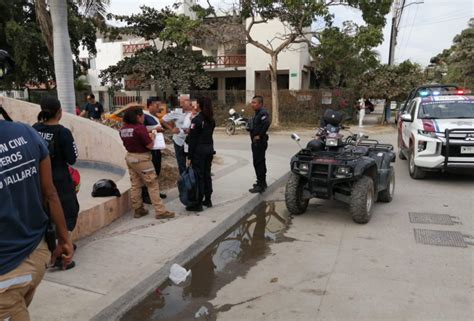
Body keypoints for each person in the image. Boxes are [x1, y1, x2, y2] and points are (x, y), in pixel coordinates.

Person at [0, 109, 73, 321]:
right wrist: (64, 238)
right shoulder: (25, 132)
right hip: (36, 253)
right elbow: (49, 193)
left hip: (6, 273)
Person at [32, 97, 80, 270]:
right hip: (59, 181)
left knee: (46, 214)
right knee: (67, 214)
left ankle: (51, 249)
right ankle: (61, 253)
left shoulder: (34, 129)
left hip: (38, 180)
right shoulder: (63, 132)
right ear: (60, 112)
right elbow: (72, 158)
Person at [119, 107, 174, 220]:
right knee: (152, 184)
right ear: (138, 116)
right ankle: (160, 211)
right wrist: (152, 137)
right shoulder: (140, 128)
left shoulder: (123, 129)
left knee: (135, 184)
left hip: (130, 157)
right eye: (143, 116)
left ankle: (138, 209)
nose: (144, 118)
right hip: (142, 159)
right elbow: (150, 145)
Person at [186, 97, 215, 212]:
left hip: (199, 152)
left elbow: (192, 140)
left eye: (196, 104)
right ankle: (208, 199)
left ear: (199, 105)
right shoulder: (211, 119)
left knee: (199, 176)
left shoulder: (197, 120)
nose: (195, 106)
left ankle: (197, 203)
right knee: (207, 174)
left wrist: (189, 156)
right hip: (209, 150)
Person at [143, 98, 166, 201]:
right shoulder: (144, 116)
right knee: (149, 172)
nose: (159, 108)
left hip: (157, 147)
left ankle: (155, 193)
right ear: (150, 105)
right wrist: (155, 130)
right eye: (157, 105)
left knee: (157, 170)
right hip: (150, 149)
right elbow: (141, 131)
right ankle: (146, 195)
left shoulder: (155, 117)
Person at [162, 94, 192, 175]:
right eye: (182, 102)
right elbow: (164, 120)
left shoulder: (194, 112)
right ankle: (184, 183)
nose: (183, 103)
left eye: (186, 101)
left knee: (192, 163)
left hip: (191, 141)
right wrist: (172, 129)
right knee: (181, 164)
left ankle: (192, 181)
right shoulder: (176, 112)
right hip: (179, 141)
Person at [248, 95, 270, 194]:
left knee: (259, 163)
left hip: (259, 142)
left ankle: (261, 185)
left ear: (260, 104)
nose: (252, 104)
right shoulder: (257, 113)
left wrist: (259, 135)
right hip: (256, 142)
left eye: (254, 103)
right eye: (252, 102)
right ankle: (261, 182)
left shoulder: (263, 113)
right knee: (258, 162)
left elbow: (266, 123)